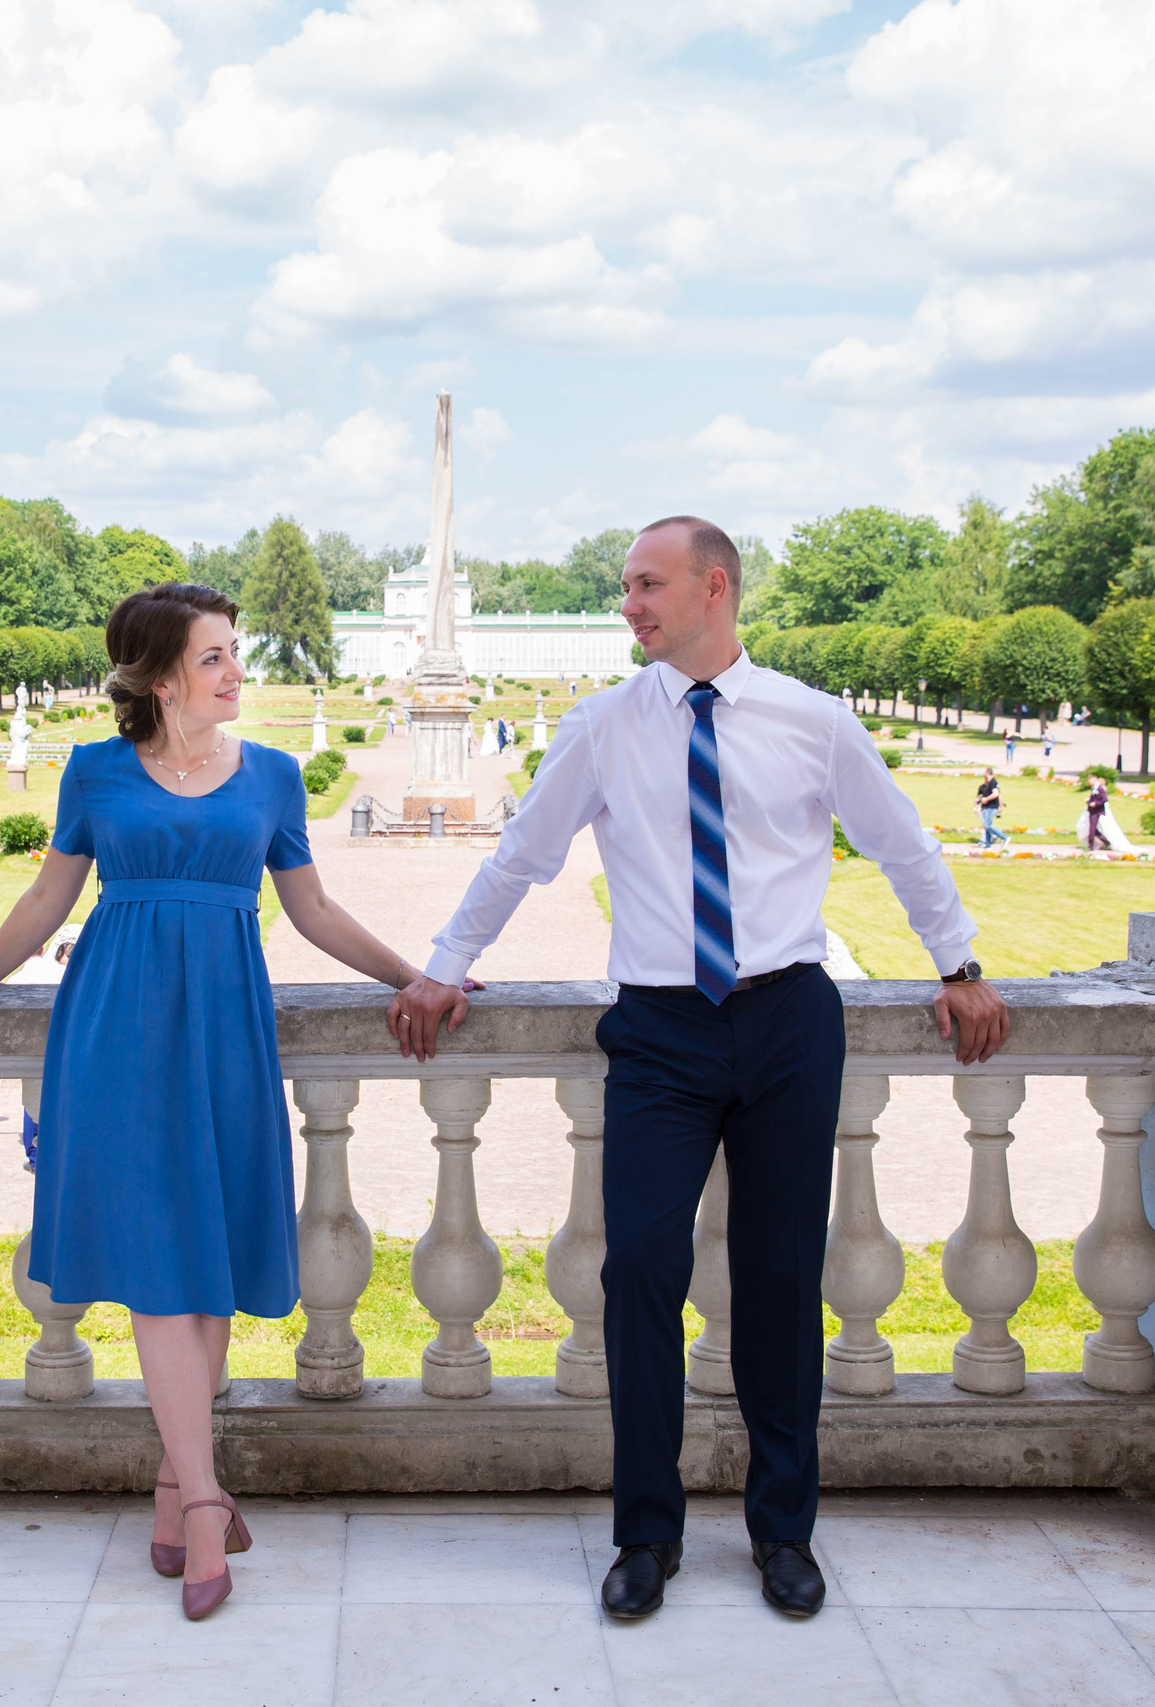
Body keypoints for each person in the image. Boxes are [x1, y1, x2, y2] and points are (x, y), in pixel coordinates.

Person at [389, 517, 1008, 1623]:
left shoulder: (813, 722)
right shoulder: (602, 727)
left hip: (786, 1023)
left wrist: (957, 964)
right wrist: (444, 967)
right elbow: (522, 855)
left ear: (713, 588)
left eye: (645, 585)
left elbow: (902, 843)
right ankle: (646, 1532)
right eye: (626, 586)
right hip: (661, 1035)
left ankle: (783, 1531)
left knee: (778, 1280)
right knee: (636, 1271)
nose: (628, 604)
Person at [0, 582, 431, 1621]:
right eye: (216, 658)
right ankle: (204, 1500)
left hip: (224, 1029)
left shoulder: (277, 778)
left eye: (234, 654)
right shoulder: (94, 772)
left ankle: (171, 1488)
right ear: (162, 678)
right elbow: (46, 900)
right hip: (116, 1024)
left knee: (200, 1266)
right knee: (161, 1260)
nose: (237, 672)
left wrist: (411, 979)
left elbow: (316, 911)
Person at [975, 767, 1008, 848]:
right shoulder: (986, 784)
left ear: (987, 773)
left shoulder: (993, 782)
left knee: (987, 825)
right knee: (986, 826)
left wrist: (986, 799)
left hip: (991, 806)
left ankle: (1003, 837)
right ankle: (988, 843)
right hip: (986, 807)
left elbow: (996, 794)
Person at [1083, 777, 1113, 851]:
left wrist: (1095, 804)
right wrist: (1089, 802)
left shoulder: (1100, 789)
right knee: (1093, 828)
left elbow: (1104, 799)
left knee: (1092, 828)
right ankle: (1105, 841)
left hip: (1097, 811)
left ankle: (1091, 845)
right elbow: (1093, 798)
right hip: (1092, 810)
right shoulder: (1094, 788)